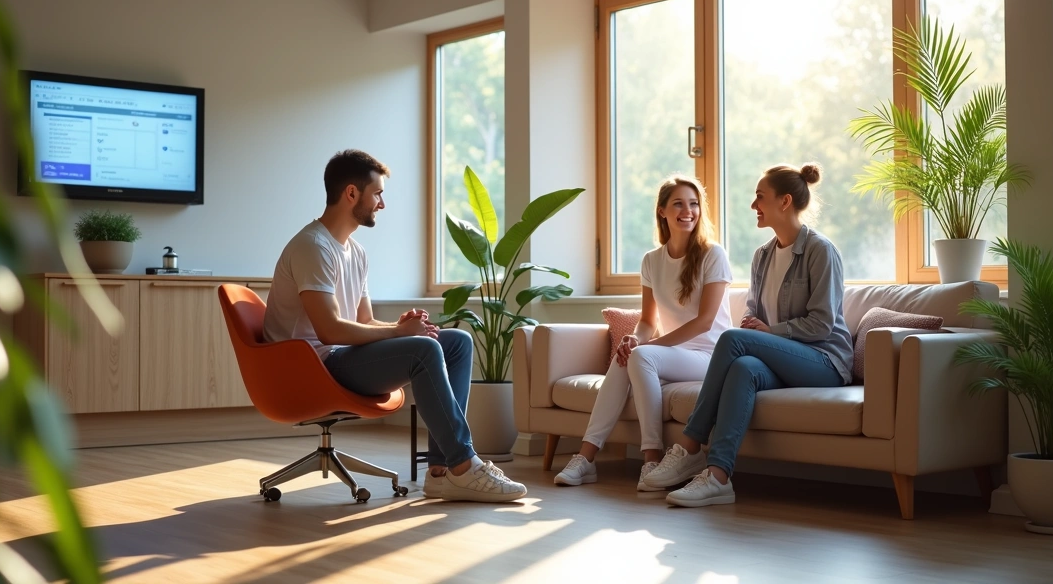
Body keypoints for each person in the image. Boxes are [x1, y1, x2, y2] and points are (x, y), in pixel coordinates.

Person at [263, 149, 527, 503]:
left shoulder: (355, 252)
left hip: (340, 357)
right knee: (424, 349)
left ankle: (441, 473)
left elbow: (364, 322)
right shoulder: (313, 247)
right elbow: (329, 331)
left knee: (455, 342)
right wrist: (400, 334)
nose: (382, 204)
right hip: (313, 368)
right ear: (352, 194)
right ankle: (464, 465)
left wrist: (402, 326)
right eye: (378, 193)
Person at [642, 162, 853, 508]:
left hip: (824, 361)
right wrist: (756, 325)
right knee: (743, 369)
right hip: (784, 359)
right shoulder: (762, 256)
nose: (753, 205)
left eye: (760, 197)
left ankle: (690, 445)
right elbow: (752, 311)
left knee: (730, 339)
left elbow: (822, 324)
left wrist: (770, 332)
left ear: (784, 202)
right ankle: (718, 477)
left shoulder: (820, 250)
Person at [554, 175, 733, 492]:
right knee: (629, 356)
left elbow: (705, 322)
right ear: (662, 211)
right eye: (678, 203)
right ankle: (587, 457)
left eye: (693, 204)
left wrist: (646, 348)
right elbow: (648, 321)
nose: (687, 211)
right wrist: (636, 338)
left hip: (711, 358)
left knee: (640, 357)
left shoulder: (712, 254)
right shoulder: (652, 261)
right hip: (676, 357)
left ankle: (651, 457)